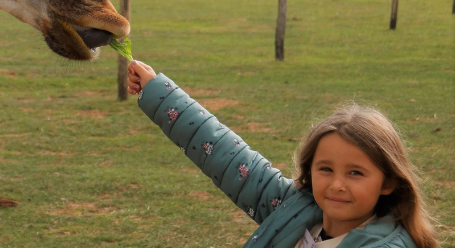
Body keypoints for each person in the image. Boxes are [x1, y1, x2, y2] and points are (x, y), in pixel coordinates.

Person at [126, 60, 438, 248]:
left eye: (355, 172)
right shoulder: (294, 207)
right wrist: (158, 91)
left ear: (388, 182)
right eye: (325, 169)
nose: (337, 185)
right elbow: (224, 153)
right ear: (309, 170)